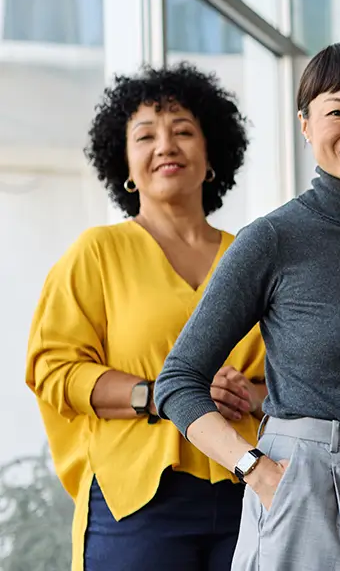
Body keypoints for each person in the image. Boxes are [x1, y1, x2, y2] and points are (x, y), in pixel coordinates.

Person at [154, 41, 340, 571]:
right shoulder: (272, 238)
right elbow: (179, 381)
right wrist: (256, 470)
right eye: (337, 112)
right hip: (302, 479)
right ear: (306, 126)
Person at [25, 64, 266, 571]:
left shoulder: (254, 254)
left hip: (250, 490)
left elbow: (293, 377)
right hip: (137, 500)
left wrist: (247, 395)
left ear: (211, 157)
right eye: (145, 135)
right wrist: (161, 395)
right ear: (126, 167)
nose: (166, 145)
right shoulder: (97, 253)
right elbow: (54, 370)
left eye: (183, 131)